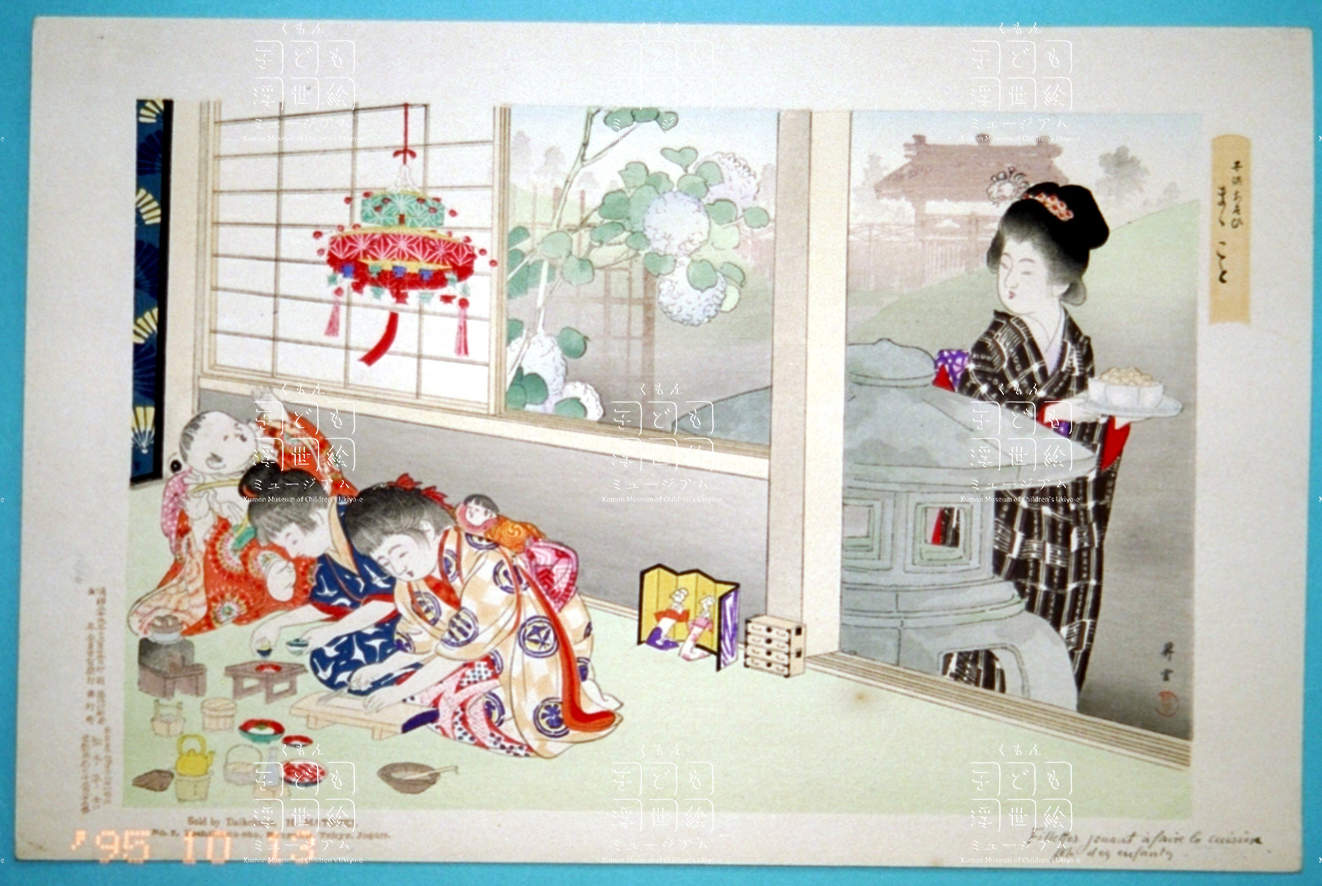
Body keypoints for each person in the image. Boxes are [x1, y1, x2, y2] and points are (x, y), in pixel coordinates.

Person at [946, 183, 1138, 689]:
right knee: (994, 645)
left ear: (1060, 281)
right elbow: (982, 419)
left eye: (1026, 270)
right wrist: (1060, 412)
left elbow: (1087, 440)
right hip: (1005, 517)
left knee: (1052, 647)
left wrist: (1116, 421)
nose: (1009, 281)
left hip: (1066, 520)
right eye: (1005, 264)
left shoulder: (1077, 347)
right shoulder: (994, 346)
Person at [342, 478, 620, 758]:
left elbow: (461, 648)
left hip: (532, 640)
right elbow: (422, 637)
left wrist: (399, 690)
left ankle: (577, 694)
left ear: (426, 529)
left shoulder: (485, 560)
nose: (398, 567)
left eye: (400, 553)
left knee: (506, 716)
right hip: (480, 648)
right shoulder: (410, 584)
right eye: (385, 563)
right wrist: (382, 668)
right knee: (426, 701)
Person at [127, 392, 355, 636]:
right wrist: (203, 517)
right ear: (215, 463)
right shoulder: (207, 489)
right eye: (228, 437)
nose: (239, 430)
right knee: (222, 555)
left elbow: (319, 465)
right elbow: (198, 536)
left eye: (235, 425)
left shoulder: (267, 440)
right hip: (255, 547)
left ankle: (292, 572)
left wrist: (282, 419)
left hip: (298, 518)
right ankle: (271, 574)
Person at [241, 462, 415, 694]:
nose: (292, 554)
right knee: (325, 657)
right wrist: (275, 624)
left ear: (315, 516)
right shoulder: (328, 545)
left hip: (420, 611)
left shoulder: (360, 522)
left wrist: (330, 632)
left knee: (349, 657)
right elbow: (329, 601)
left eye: (293, 540)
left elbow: (388, 599)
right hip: (389, 617)